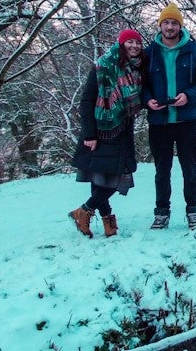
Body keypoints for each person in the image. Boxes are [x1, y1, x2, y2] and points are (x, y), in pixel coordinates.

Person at [142, 3, 196, 230]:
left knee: (190, 169)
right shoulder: (149, 53)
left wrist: (189, 96)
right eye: (166, 22)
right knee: (161, 170)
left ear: (180, 26)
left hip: (187, 120)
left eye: (174, 23)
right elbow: (139, 83)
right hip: (159, 121)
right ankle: (161, 212)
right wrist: (147, 100)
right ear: (160, 25)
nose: (170, 26)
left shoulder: (194, 50)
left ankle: (193, 211)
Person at [68, 29, 146, 238]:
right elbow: (86, 101)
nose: (134, 46)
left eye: (137, 43)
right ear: (121, 44)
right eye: (129, 42)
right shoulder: (102, 67)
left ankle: (102, 219)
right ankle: (89, 213)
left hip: (123, 130)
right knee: (106, 178)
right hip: (101, 131)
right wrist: (89, 134)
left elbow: (141, 97)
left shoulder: (137, 70)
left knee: (107, 177)